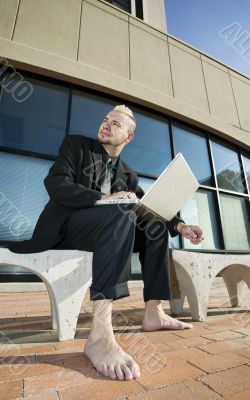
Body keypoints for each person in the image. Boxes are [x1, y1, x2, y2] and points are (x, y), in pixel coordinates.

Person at [7, 105, 204, 381]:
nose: (106, 125)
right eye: (105, 120)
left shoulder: (128, 174)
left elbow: (149, 208)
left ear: (129, 137)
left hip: (106, 233)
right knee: (120, 209)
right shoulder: (76, 146)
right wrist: (104, 199)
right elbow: (56, 183)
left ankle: (153, 311)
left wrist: (181, 226)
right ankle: (100, 333)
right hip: (65, 230)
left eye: (115, 124)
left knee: (155, 226)